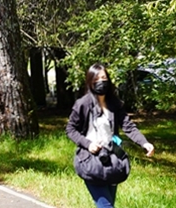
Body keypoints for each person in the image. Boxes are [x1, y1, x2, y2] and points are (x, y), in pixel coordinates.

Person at [66, 64, 155, 208]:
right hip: (91, 162)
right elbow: (70, 129)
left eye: (104, 78)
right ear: (90, 82)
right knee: (106, 206)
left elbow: (128, 126)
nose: (101, 82)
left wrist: (144, 143)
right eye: (96, 79)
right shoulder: (82, 104)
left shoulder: (115, 104)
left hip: (113, 161)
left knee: (109, 204)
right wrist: (88, 144)